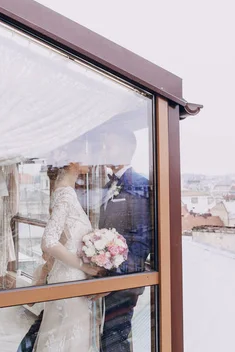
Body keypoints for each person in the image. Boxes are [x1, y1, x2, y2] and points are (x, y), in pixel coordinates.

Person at [32, 160, 103, 352]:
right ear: (72, 163)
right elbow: (49, 241)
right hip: (69, 279)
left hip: (69, 278)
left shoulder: (64, 192)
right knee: (71, 340)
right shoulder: (65, 194)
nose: (92, 157)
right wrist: (82, 265)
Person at [98, 129, 151, 352]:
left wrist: (113, 280)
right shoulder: (105, 186)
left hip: (123, 282)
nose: (104, 151)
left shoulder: (139, 184)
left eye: (109, 146)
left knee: (115, 341)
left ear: (126, 149)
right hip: (102, 278)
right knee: (104, 339)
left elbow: (142, 241)